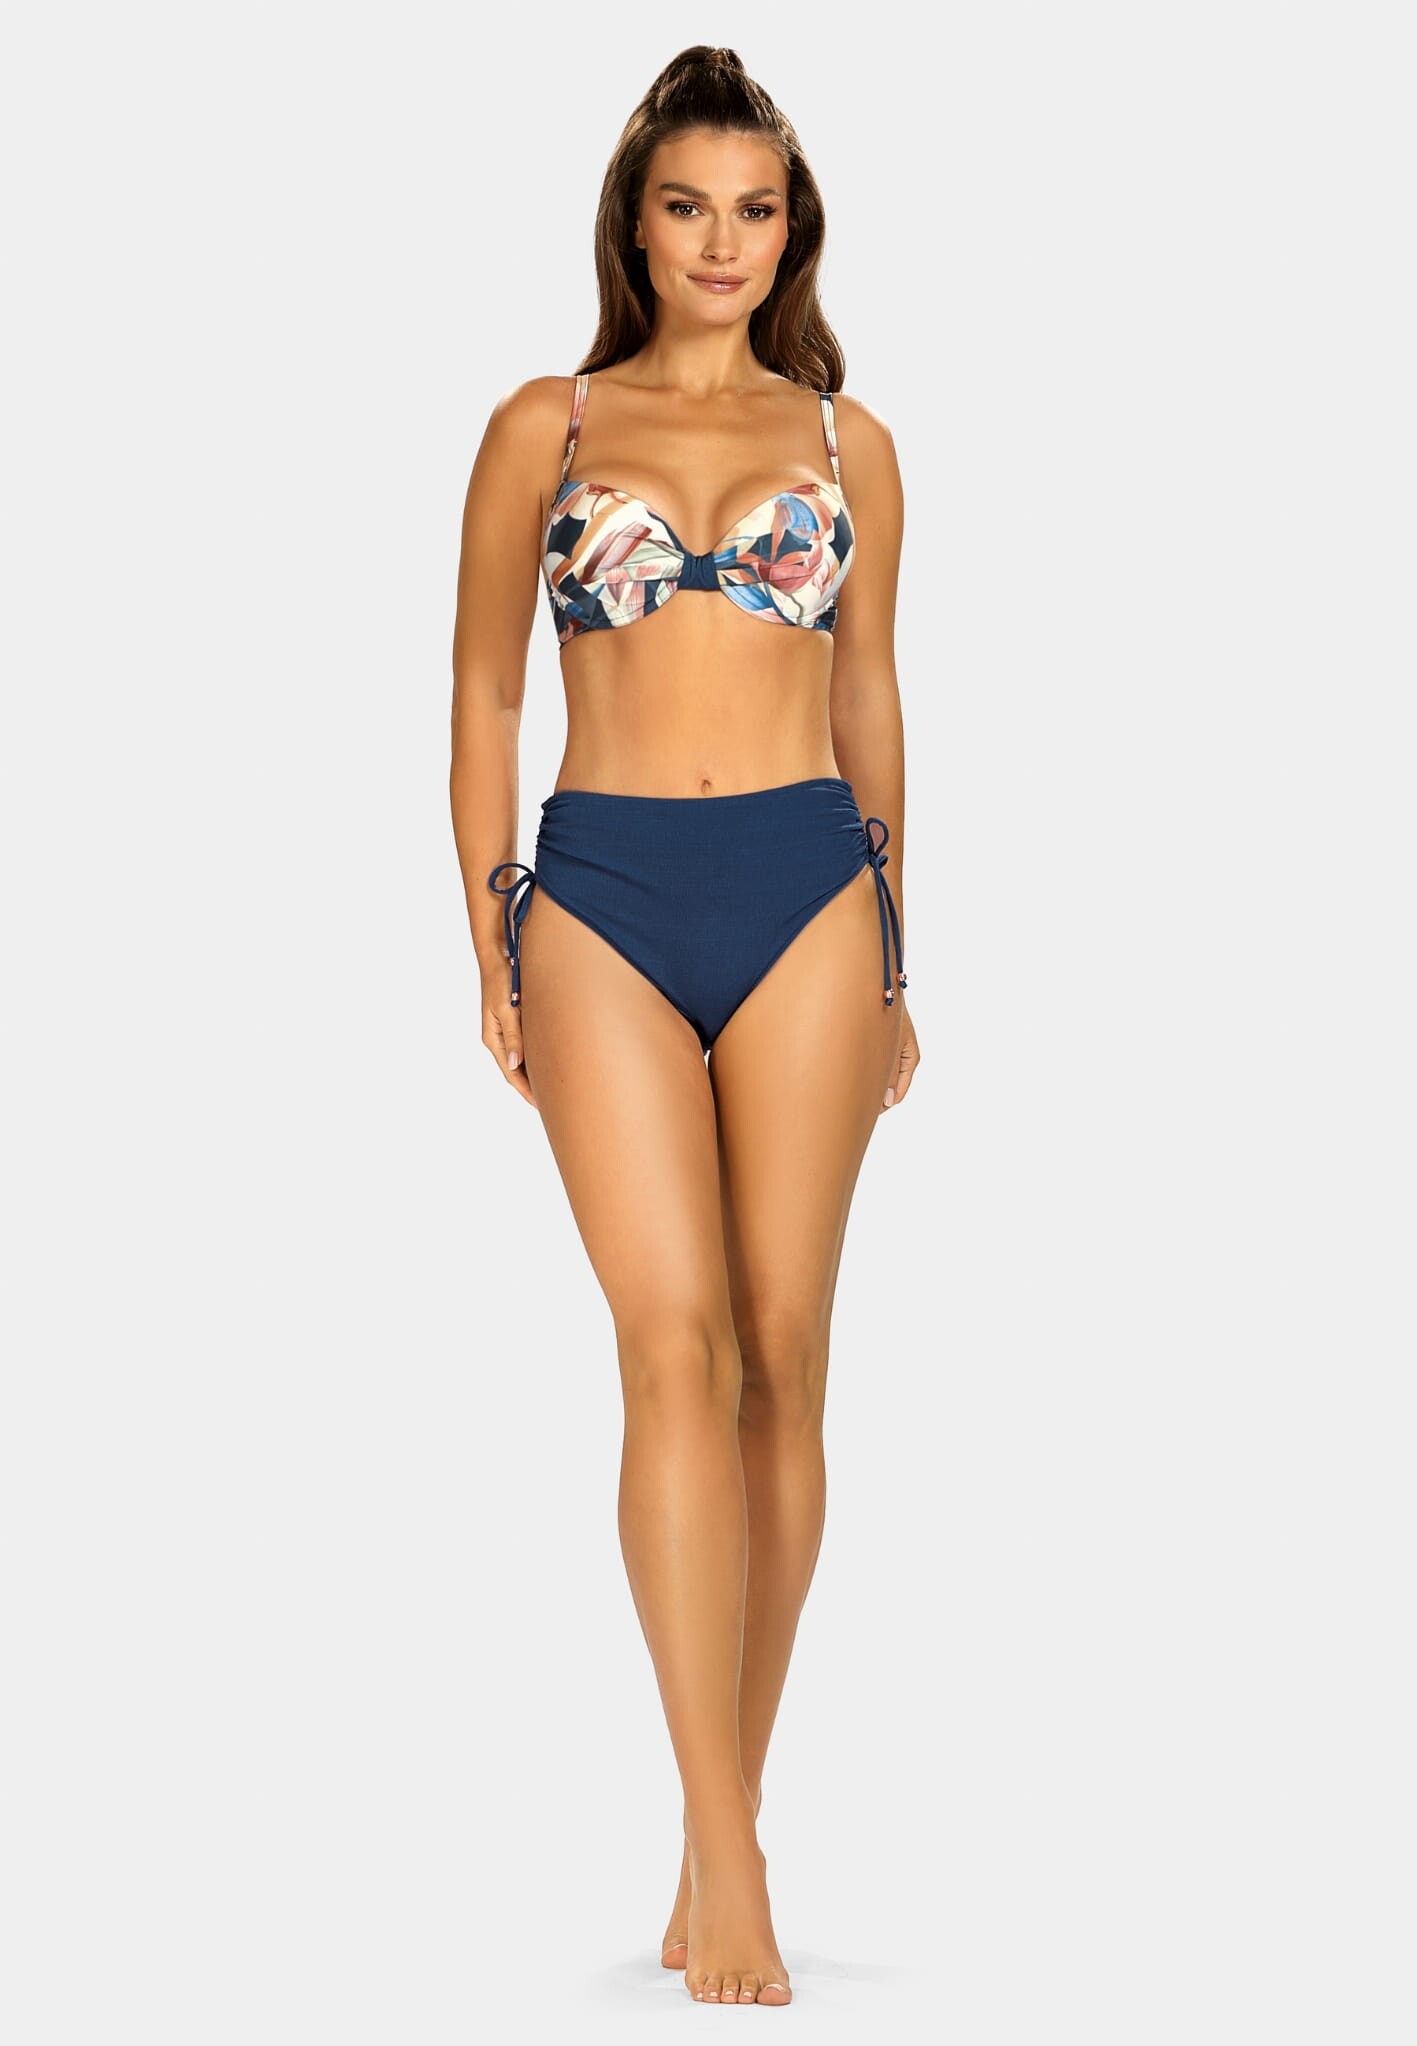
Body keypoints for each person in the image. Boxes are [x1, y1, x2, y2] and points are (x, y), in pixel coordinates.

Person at [449, 44, 920, 2007]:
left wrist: (894, 955)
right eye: (686, 206)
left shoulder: (847, 442)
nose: (721, 242)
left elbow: (870, 694)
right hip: (604, 899)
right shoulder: (545, 427)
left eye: (754, 209)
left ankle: (718, 1817)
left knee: (782, 1365)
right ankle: (727, 1857)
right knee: (673, 1343)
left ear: (789, 231)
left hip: (807, 891)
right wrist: (492, 935)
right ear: (633, 224)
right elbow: (486, 695)